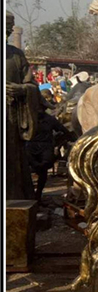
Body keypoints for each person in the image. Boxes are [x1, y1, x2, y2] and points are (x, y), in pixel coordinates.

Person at [6, 11, 40, 200]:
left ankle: (13, 197)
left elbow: (32, 85)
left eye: (8, 30)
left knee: (11, 159)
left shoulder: (16, 55)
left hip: (11, 114)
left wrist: (22, 89)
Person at [26, 107, 76, 203]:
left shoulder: (49, 119)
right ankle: (31, 194)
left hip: (45, 146)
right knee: (29, 168)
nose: (38, 110)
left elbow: (63, 130)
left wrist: (68, 138)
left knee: (44, 169)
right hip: (31, 146)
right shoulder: (27, 118)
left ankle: (38, 195)